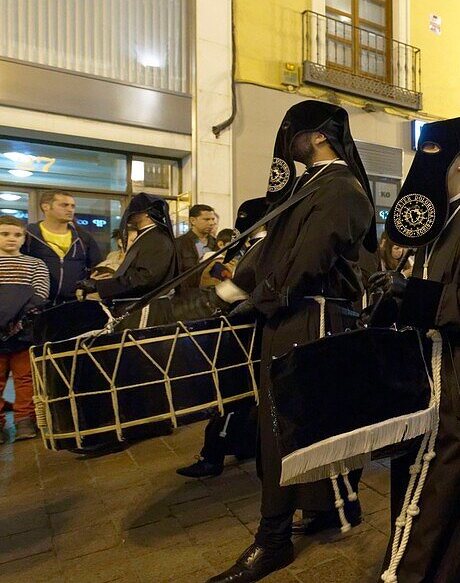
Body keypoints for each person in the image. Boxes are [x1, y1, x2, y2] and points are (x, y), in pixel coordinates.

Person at [204, 102, 377, 583]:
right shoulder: (309, 185)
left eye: (294, 135)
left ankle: (273, 538)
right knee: (291, 426)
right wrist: (232, 286)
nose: (287, 145)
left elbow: (306, 260)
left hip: (310, 319)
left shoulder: (342, 189)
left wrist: (261, 298)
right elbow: (273, 249)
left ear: (320, 136)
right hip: (288, 316)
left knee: (287, 427)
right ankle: (322, 509)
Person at [369, 113, 460, 583]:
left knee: (446, 481)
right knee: (428, 479)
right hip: (430, 373)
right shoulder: (439, 222)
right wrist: (395, 293)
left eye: (432, 153)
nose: (423, 162)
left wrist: (411, 293)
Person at [175, 198, 268, 480]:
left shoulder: (261, 247)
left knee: (231, 394)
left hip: (245, 329)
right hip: (248, 327)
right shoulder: (256, 246)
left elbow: (241, 286)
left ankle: (212, 455)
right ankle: (240, 445)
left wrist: (208, 304)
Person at [0, 216, 50, 441]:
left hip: (24, 330)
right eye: (5, 234)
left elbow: (40, 293)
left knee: (25, 377)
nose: (12, 239)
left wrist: (20, 320)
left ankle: (24, 420)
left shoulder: (35, 264)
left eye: (17, 235)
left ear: (24, 238)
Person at [77, 194, 178, 304]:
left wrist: (99, 286)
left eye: (134, 209)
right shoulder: (149, 237)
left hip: (147, 309)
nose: (129, 212)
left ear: (147, 214)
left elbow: (144, 279)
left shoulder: (157, 239)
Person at [22, 190, 102, 303]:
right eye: (64, 205)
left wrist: (90, 286)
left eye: (72, 206)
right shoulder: (28, 235)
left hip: (73, 304)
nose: (70, 209)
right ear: (46, 206)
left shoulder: (83, 237)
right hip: (35, 304)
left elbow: (96, 267)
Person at [176, 204, 219, 293]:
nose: (211, 223)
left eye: (213, 219)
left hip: (212, 295)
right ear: (193, 220)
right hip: (186, 296)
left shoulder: (217, 243)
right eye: (206, 219)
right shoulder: (180, 243)